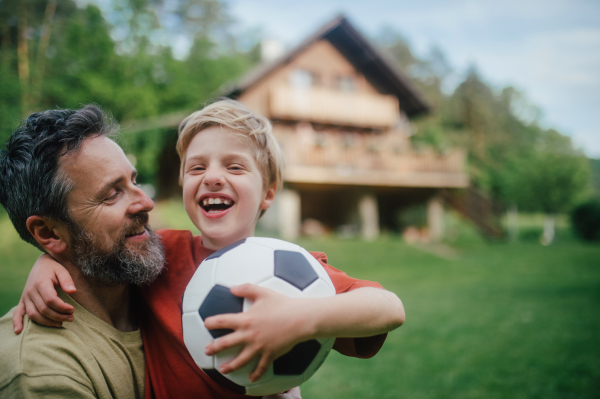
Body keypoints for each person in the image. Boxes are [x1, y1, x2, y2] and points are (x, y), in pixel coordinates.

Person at [13, 100, 406, 398]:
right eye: (197, 168)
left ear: (268, 192)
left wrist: (302, 319)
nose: (213, 177)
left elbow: (388, 307)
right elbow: (97, 252)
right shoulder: (161, 255)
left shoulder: (297, 271)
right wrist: (47, 262)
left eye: (235, 167)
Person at [0, 106, 165, 398]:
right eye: (112, 194)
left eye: (134, 181)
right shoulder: (43, 371)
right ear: (49, 233)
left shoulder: (159, 284)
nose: (146, 203)